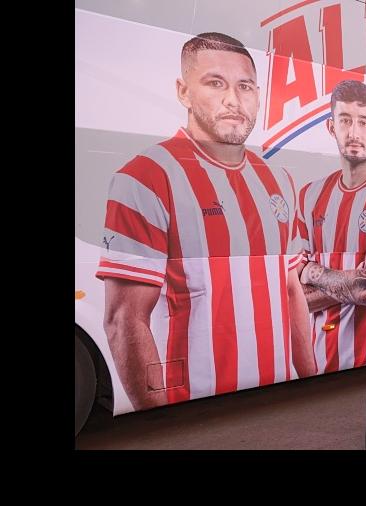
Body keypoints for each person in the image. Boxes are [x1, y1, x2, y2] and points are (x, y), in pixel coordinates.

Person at [96, 32, 315, 411]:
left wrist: (313, 386)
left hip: (277, 405)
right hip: (196, 410)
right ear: (183, 92)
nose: (234, 100)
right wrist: (164, 421)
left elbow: (292, 291)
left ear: (258, 94)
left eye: (245, 86)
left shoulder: (280, 181)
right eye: (216, 83)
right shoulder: (146, 176)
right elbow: (124, 319)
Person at [296, 80, 366, 372]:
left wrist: (311, 272)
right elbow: (292, 296)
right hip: (320, 361)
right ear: (331, 127)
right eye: (345, 120)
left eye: (363, 122)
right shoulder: (310, 195)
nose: (354, 132)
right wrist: (353, 284)